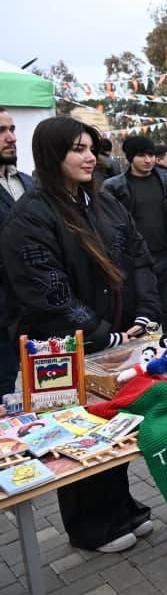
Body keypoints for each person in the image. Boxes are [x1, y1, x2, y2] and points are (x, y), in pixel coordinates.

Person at [0, 116, 158, 552]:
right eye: (77, 149)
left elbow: (139, 259)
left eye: (91, 147)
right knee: (74, 437)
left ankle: (123, 508)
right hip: (61, 351)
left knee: (112, 429)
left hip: (115, 343)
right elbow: (43, 289)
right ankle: (90, 528)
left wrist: (143, 316)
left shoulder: (104, 202)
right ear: (53, 155)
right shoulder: (30, 215)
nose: (89, 156)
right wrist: (101, 333)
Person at [102, 135, 167, 333]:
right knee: (139, 311)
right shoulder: (113, 187)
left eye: (151, 155)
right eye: (141, 155)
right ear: (130, 158)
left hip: (165, 254)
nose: (148, 160)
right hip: (134, 260)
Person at [0, 107, 33, 397]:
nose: (11, 138)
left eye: (12, 130)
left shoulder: (28, 182)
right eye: (1, 131)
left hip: (32, 310)